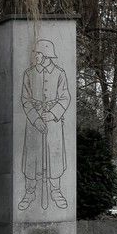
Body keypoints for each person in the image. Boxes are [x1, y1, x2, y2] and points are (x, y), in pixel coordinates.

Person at [19, 39, 70, 211]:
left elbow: (65, 97)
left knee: (54, 158)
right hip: (34, 123)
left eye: (38, 53)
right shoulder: (29, 73)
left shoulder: (60, 73)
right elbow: (25, 99)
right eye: (35, 53)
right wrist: (36, 119)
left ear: (47, 55)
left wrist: (53, 113)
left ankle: (56, 190)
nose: (35, 56)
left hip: (54, 123)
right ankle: (29, 191)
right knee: (31, 159)